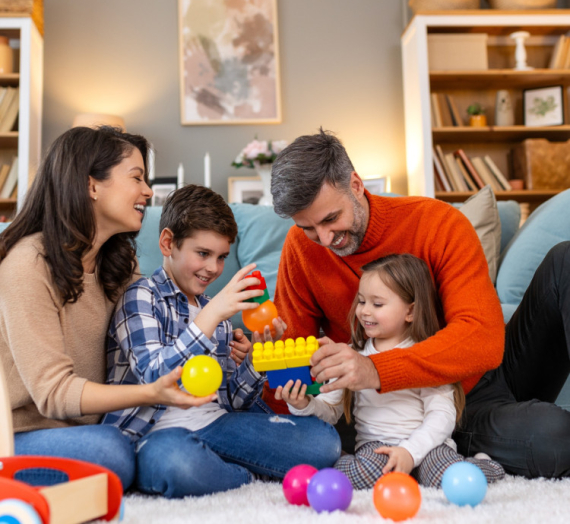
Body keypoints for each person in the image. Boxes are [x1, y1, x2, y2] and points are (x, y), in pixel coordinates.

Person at [267, 127, 570, 479]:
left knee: (565, 260)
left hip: (469, 390)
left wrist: (378, 370)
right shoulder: (301, 250)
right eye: (308, 228)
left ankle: (444, 450)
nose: (324, 239)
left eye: (331, 219)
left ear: (355, 184)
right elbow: (297, 371)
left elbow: (483, 341)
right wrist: (275, 366)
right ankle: (441, 455)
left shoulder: (438, 223)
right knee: (556, 437)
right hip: (377, 414)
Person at [0, 126, 214, 491]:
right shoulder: (28, 265)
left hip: (96, 428)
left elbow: (156, 335)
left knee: (142, 444)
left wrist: (222, 336)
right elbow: (54, 394)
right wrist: (150, 393)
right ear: (91, 186)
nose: (148, 191)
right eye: (136, 177)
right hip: (26, 435)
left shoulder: (117, 264)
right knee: (112, 451)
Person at [102, 184, 341, 498]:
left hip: (215, 425)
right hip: (155, 434)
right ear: (167, 242)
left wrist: (257, 356)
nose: (213, 269)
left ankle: (217, 468)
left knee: (324, 443)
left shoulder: (215, 311)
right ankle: (244, 477)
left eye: (221, 257)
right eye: (203, 254)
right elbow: (153, 375)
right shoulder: (142, 297)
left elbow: (232, 401)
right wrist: (211, 315)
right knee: (176, 462)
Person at [277, 254, 505, 489]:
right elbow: (330, 411)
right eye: (362, 301)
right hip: (377, 447)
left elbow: (442, 416)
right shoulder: (350, 355)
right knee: (361, 475)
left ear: (411, 312)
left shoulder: (425, 355)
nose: (365, 311)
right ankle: (351, 461)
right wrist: (303, 404)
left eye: (377, 304)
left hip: (428, 447)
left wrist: (409, 451)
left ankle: (484, 465)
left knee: (447, 477)